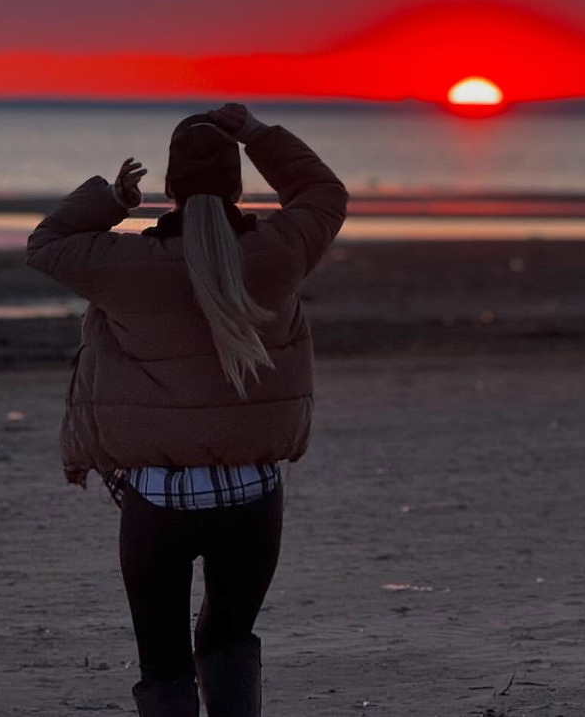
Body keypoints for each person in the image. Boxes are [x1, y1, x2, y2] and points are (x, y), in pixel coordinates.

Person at [25, 103, 348, 717]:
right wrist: (255, 133)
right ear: (238, 186)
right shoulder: (277, 253)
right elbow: (323, 192)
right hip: (252, 497)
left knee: (163, 664)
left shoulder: (127, 265)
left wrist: (113, 201)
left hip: (157, 502)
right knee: (229, 641)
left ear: (169, 187)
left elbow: (46, 246)